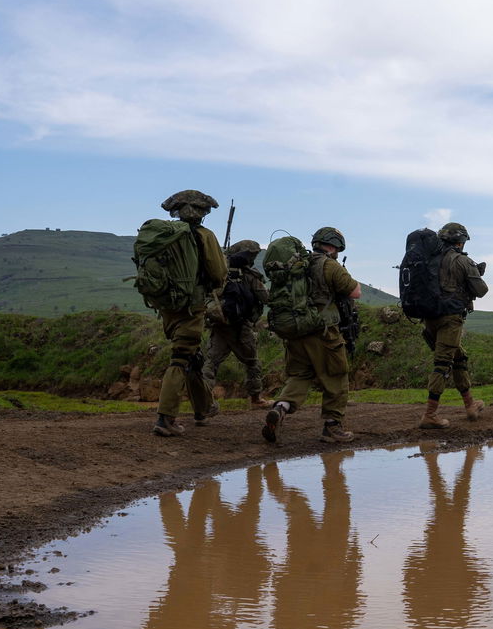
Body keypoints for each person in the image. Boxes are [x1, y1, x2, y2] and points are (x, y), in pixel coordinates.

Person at [261, 226, 362, 444]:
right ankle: (332, 427)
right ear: (334, 245)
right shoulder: (329, 265)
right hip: (323, 332)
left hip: (295, 331)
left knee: (300, 376)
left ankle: (280, 409)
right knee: (336, 376)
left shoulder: (298, 266)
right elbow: (355, 292)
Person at [152, 190, 227, 437]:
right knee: (181, 358)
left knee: (194, 356)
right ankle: (165, 419)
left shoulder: (163, 235)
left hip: (167, 306)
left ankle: (203, 409)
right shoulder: (204, 236)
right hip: (192, 306)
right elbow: (217, 273)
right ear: (202, 213)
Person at [419, 222, 488, 429]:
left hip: (429, 318)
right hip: (450, 319)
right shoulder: (462, 261)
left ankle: (470, 405)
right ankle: (430, 415)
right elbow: (481, 290)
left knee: (459, 358)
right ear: (460, 241)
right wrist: (474, 273)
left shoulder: (429, 260)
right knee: (442, 364)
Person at [202, 239, 270, 408]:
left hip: (220, 325)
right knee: (252, 362)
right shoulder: (249, 275)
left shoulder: (218, 273)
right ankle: (256, 399)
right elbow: (266, 298)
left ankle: (203, 402)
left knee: (210, 363)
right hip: (240, 327)